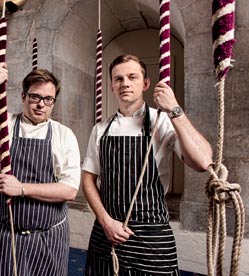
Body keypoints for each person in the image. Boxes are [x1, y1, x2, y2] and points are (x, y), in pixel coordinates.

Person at [82, 54, 213, 275]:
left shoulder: (162, 121)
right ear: (112, 86)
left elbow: (203, 161)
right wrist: (105, 220)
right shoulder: (100, 129)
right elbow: (88, 179)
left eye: (132, 77)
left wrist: (174, 109)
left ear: (145, 83)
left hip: (151, 235)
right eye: (118, 79)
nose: (125, 83)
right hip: (106, 232)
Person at [0, 62, 80, 276]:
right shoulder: (2, 124)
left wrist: (21, 188)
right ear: (23, 96)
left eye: (48, 99)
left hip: (48, 236)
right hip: (5, 235)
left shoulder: (64, 135)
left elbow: (69, 191)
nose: (41, 105)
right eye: (35, 97)